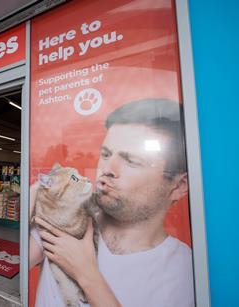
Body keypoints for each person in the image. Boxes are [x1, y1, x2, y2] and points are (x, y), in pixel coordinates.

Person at [30, 99, 194, 307]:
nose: (107, 168)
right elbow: (16, 260)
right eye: (106, 154)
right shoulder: (69, 218)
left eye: (132, 160)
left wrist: (87, 275)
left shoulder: (182, 269)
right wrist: (38, 190)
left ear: (179, 186)